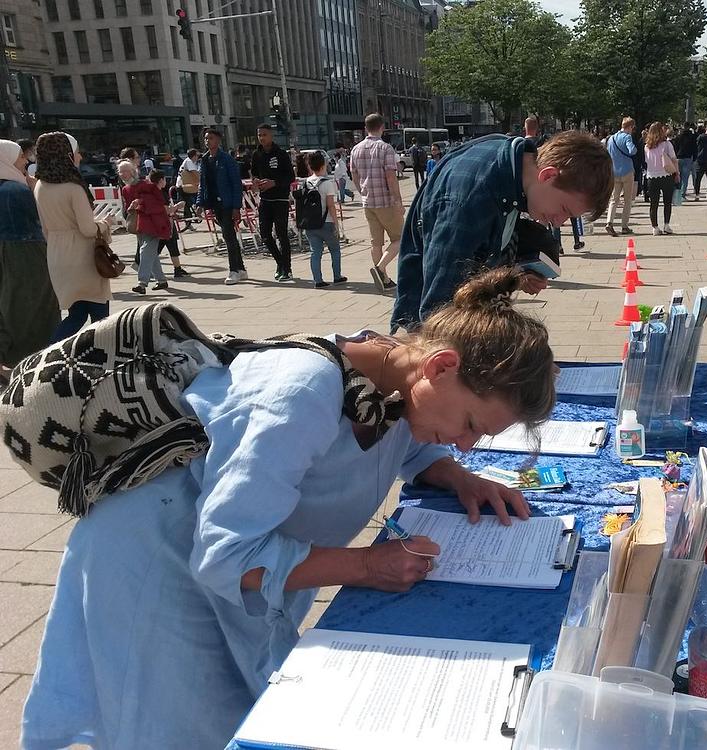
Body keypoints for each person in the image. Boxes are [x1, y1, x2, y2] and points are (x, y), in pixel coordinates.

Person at [22, 267, 558, 748]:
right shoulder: (301, 393)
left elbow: (407, 445)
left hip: (217, 563)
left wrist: (458, 477)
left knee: (241, 712)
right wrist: (367, 566)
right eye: (469, 427)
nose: (464, 444)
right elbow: (227, 555)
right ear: (441, 367)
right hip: (158, 562)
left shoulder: (392, 375)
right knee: (177, 725)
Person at [392, 131, 613, 331]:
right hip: (436, 337)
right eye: (564, 209)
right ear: (548, 176)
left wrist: (517, 274)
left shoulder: (515, 167)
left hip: (466, 317)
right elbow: (438, 312)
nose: (558, 223)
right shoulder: (469, 198)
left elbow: (492, 239)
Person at [33, 132, 115, 341]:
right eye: (76, 153)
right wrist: (105, 224)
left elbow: (45, 229)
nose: (79, 157)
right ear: (67, 155)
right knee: (100, 317)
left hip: (57, 255)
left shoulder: (40, 186)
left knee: (76, 315)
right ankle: (101, 357)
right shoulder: (73, 188)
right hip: (83, 257)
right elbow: (88, 229)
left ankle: (50, 354)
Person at [0, 140, 60, 375]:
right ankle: (35, 361)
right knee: (33, 307)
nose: (25, 161)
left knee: (7, 306)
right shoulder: (16, 190)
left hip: (9, 251)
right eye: (20, 157)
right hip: (26, 253)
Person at [351, 113, 404, 293]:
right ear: (382, 127)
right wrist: (398, 200)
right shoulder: (385, 148)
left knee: (376, 242)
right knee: (400, 238)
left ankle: (385, 280)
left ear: (366, 128)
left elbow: (354, 175)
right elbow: (390, 176)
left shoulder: (355, 149)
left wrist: (362, 192)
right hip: (386, 201)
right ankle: (380, 269)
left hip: (368, 202)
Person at [196, 127, 247, 285]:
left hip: (227, 202)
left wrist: (236, 207)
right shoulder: (205, 159)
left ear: (218, 140)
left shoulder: (227, 159)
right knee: (229, 235)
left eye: (210, 138)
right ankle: (241, 268)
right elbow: (202, 184)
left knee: (228, 236)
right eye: (206, 138)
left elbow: (236, 184)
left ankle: (234, 270)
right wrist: (200, 203)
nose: (207, 141)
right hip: (214, 202)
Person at [251, 123, 296, 281]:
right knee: (264, 235)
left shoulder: (281, 154)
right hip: (265, 199)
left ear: (271, 135)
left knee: (282, 235)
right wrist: (255, 183)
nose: (261, 138)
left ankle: (287, 269)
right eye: (259, 135)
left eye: (264, 134)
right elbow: (254, 173)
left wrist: (274, 182)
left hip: (280, 199)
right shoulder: (257, 154)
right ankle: (280, 263)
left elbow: (290, 176)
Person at [124, 169, 174, 294]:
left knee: (146, 252)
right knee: (150, 254)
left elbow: (155, 208)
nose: (121, 174)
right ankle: (161, 280)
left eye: (123, 171)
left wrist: (138, 203)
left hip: (150, 226)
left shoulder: (142, 189)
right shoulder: (134, 189)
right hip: (146, 225)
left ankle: (142, 283)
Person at [302, 150, 347, 288]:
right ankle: (337, 276)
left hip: (310, 224)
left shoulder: (306, 183)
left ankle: (318, 280)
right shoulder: (327, 182)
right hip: (326, 222)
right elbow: (330, 205)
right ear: (323, 165)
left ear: (310, 166)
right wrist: (337, 224)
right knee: (335, 249)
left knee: (315, 252)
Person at [604, 116, 638, 238]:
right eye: (632, 128)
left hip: (614, 172)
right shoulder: (627, 137)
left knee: (614, 199)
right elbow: (632, 151)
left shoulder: (612, 138)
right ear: (629, 127)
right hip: (627, 171)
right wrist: (634, 149)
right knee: (627, 200)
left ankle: (609, 222)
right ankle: (624, 226)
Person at [644, 122, 679, 235]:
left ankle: (655, 227)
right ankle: (666, 225)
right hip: (666, 175)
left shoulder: (646, 146)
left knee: (653, 204)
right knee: (667, 202)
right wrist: (677, 173)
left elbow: (646, 161)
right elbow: (673, 159)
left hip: (651, 176)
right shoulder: (667, 144)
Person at [175, 147, 201, 231]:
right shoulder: (189, 161)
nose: (198, 157)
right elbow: (195, 173)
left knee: (187, 203)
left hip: (186, 185)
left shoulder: (189, 162)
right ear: (193, 156)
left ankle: (191, 218)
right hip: (183, 186)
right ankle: (188, 222)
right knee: (186, 204)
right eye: (197, 155)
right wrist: (203, 180)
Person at [673, 122, 697, 199]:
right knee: (685, 178)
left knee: (677, 177)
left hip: (678, 158)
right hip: (688, 158)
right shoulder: (692, 137)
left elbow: (675, 147)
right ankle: (682, 194)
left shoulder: (678, 137)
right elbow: (694, 148)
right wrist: (694, 158)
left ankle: (677, 194)